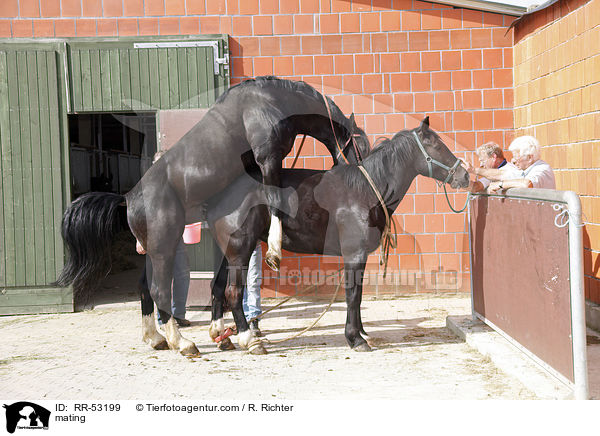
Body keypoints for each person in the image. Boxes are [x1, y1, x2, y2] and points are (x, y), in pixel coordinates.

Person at [137, 150, 191, 327]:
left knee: (182, 274)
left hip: (176, 237)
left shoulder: (176, 186)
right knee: (160, 279)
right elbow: (138, 215)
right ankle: (163, 317)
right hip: (155, 239)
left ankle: (179, 314)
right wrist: (139, 238)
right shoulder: (146, 187)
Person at [466, 136, 555, 192]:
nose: (513, 161)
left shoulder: (542, 169)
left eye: (517, 157)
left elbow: (527, 184)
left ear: (529, 157)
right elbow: (501, 174)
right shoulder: (524, 170)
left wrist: (500, 184)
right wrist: (473, 170)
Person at [242, 244, 262, 336]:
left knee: (254, 282)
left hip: (253, 243)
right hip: (234, 245)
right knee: (238, 284)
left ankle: (254, 318)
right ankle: (245, 318)